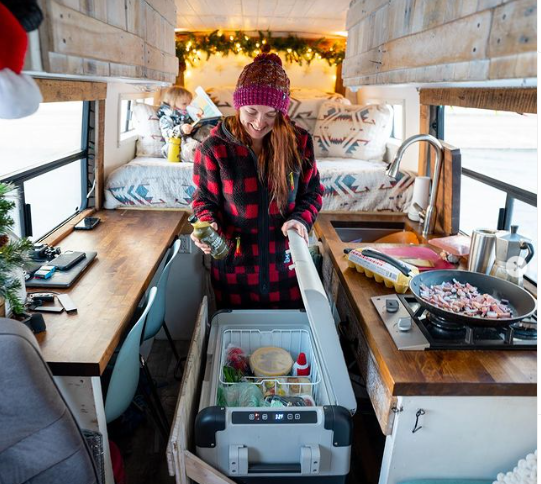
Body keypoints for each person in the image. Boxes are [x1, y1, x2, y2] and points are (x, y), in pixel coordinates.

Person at [191, 53, 324, 309]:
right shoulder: (214, 148)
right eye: (251, 111)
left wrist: (301, 219)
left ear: (282, 112)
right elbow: (203, 199)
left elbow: (313, 193)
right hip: (235, 269)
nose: (259, 122)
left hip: (286, 266)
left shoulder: (300, 143)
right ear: (238, 105)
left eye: (271, 114)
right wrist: (207, 222)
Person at [156, 86, 197, 158]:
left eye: (189, 103)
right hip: (174, 147)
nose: (188, 106)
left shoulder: (187, 115)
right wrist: (181, 129)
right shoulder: (166, 118)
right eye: (184, 104)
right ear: (173, 104)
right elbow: (167, 133)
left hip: (189, 141)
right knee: (193, 149)